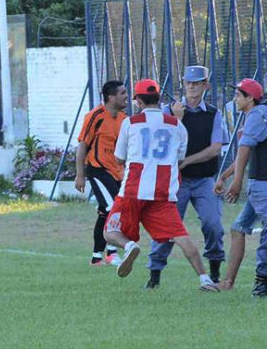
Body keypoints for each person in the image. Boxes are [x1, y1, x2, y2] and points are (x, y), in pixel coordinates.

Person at [102, 79, 218, 291]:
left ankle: (129, 246)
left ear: (138, 101)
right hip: (163, 191)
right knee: (180, 235)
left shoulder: (130, 122)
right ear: (159, 99)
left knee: (109, 231)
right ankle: (205, 279)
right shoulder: (177, 125)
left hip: (134, 189)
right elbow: (180, 158)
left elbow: (119, 158)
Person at [144, 66, 228, 289]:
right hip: (174, 182)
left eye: (197, 82)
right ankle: (154, 276)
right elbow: (156, 140)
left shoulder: (213, 113)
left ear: (206, 85)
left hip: (203, 180)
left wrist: (188, 161)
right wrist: (175, 118)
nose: (191, 86)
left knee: (213, 224)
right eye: (188, 82)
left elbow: (215, 149)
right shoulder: (167, 111)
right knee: (166, 228)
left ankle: (215, 272)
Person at [215, 79, 266, 290]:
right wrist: (225, 176)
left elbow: (245, 150)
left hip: (261, 184)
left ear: (250, 98)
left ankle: (262, 282)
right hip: (259, 184)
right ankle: (228, 283)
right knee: (238, 228)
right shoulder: (260, 113)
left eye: (238, 95)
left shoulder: (256, 115)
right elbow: (242, 155)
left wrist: (236, 183)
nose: (235, 98)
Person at [74, 80, 129, 266]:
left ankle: (97, 257)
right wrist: (80, 174)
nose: (126, 96)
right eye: (122, 93)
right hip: (97, 170)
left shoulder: (124, 119)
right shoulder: (95, 116)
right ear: (111, 97)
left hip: (116, 172)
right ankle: (112, 253)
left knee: (106, 212)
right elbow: (82, 147)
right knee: (111, 208)